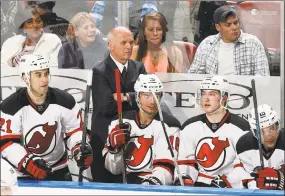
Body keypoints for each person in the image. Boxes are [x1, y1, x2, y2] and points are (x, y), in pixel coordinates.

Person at [0, 54, 93, 181]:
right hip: (24, 174)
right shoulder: (10, 106)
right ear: (26, 78)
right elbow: (7, 143)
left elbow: (75, 131)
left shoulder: (65, 101)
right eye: (38, 75)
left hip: (58, 170)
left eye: (46, 73)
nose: (44, 79)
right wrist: (27, 162)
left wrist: (79, 147)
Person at [90, 26, 147, 183]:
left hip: (133, 140)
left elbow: (148, 99)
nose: (129, 47)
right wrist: (136, 99)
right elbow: (107, 107)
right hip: (104, 139)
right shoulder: (100, 71)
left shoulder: (139, 67)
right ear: (110, 45)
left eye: (131, 42)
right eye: (123, 43)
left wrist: (126, 97)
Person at [103, 74, 180, 185]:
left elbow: (165, 167)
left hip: (153, 186)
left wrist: (152, 184)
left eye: (156, 95)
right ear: (137, 96)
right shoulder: (119, 122)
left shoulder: (169, 125)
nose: (153, 101)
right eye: (147, 96)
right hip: (124, 185)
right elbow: (114, 170)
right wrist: (114, 150)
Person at [176, 76, 251, 188]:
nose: (206, 98)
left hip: (229, 188)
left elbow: (243, 166)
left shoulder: (242, 128)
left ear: (224, 98)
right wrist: (185, 178)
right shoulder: (189, 126)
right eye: (203, 93)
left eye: (212, 94)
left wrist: (228, 181)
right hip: (199, 186)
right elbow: (186, 162)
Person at [189, 6, 270, 76]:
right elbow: (194, 76)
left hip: (244, 93)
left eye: (236, 23)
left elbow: (263, 77)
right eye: (228, 25)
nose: (234, 27)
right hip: (216, 93)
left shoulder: (253, 43)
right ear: (218, 27)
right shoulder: (207, 44)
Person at [236, 104, 284, 190]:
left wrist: (281, 179)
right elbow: (247, 178)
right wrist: (255, 183)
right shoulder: (244, 145)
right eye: (262, 132)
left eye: (272, 128)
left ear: (278, 125)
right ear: (253, 132)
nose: (268, 135)